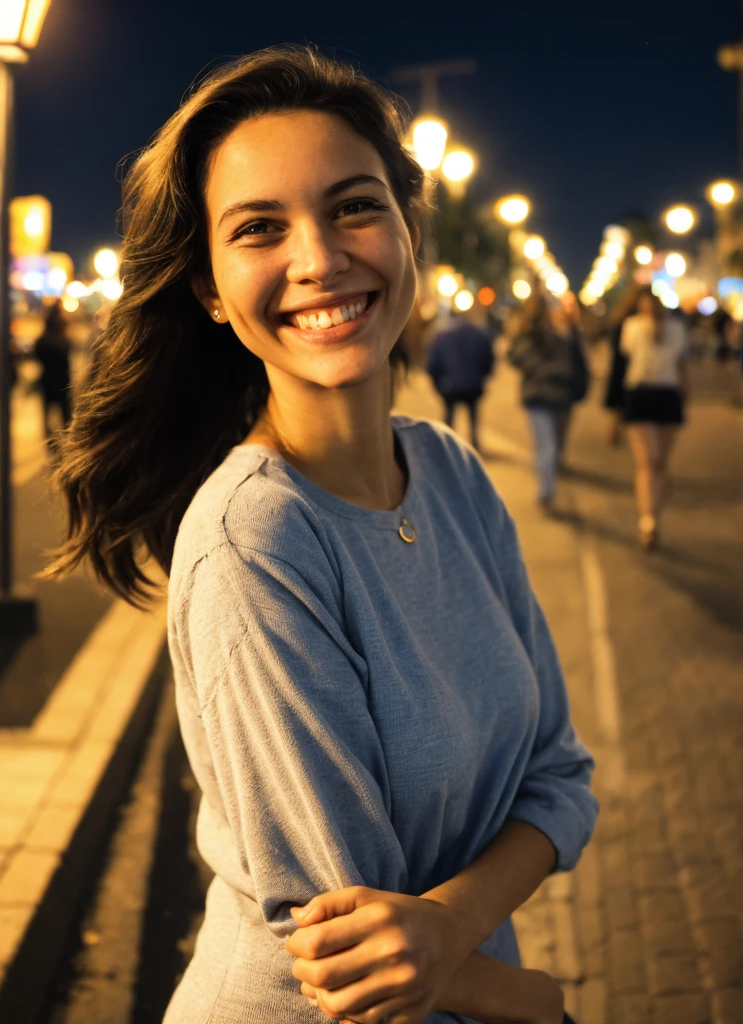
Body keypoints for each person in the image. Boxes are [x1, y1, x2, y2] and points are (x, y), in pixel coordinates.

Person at [43, 45, 595, 1024]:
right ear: (210, 290)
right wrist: (531, 996)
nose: (319, 258)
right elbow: (349, 951)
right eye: (259, 228)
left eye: (352, 206)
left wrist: (454, 930)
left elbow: (559, 775)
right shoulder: (255, 538)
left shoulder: (453, 473)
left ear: (408, 229)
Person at [620, 289, 689, 549]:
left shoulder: (676, 328)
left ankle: (655, 511)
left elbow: (682, 365)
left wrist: (686, 395)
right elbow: (627, 360)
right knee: (648, 459)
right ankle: (648, 520)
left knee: (661, 460)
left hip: (668, 395)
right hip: (640, 393)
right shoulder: (633, 326)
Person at [508, 290, 580, 510]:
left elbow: (515, 358)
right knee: (550, 444)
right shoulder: (551, 334)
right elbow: (570, 363)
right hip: (552, 396)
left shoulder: (530, 334)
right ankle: (546, 490)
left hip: (542, 396)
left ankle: (546, 488)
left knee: (546, 443)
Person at [425, 305, 494, 450]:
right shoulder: (480, 334)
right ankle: (474, 445)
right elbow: (489, 359)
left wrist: (439, 384)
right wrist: (482, 377)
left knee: (449, 417)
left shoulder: (442, 336)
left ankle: (446, 445)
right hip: (473, 385)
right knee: (473, 417)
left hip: (449, 385)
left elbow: (432, 363)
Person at [601, 282, 640, 446]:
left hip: (619, 365)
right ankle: (624, 435)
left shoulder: (620, 317)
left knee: (618, 406)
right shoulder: (633, 321)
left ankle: (615, 434)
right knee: (626, 403)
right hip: (629, 365)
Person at [34, 301, 72, 437]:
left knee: (48, 414)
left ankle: (49, 440)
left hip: (48, 380)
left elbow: (37, 357)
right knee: (65, 415)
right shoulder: (64, 340)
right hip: (62, 379)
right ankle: (66, 439)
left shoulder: (42, 341)